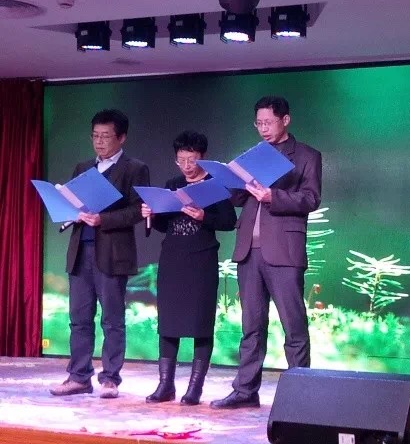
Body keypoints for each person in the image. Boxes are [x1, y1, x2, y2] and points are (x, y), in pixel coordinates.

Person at [210, 96, 322, 410]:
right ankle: (245, 391)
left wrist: (273, 195)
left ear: (285, 120)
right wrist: (230, 181)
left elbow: (311, 198)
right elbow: (236, 199)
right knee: (251, 326)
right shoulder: (253, 156)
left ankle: (300, 395)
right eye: (258, 123)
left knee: (293, 325)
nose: (263, 129)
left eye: (268, 122)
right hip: (249, 251)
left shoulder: (307, 155)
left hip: (284, 250)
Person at [50, 109, 150, 399]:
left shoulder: (134, 168)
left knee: (112, 319)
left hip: (112, 252)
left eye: (106, 136)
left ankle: (110, 379)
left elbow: (138, 210)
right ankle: (79, 376)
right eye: (95, 136)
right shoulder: (83, 167)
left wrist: (102, 219)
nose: (99, 142)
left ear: (122, 137)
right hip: (81, 251)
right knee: (79, 318)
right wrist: (71, 211)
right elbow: (72, 203)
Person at [142, 131, 237, 406]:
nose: (186, 165)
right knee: (168, 323)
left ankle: (195, 388)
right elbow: (164, 225)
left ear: (202, 158)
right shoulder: (173, 185)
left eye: (191, 159)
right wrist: (152, 214)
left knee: (201, 323)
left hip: (201, 261)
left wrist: (203, 216)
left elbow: (229, 221)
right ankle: (165, 385)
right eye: (181, 160)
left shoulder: (215, 185)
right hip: (172, 259)